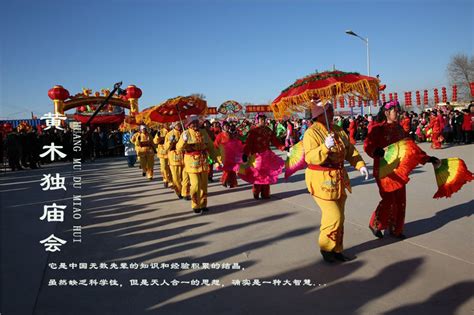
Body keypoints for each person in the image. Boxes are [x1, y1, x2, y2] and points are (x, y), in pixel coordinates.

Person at [303, 100, 369, 263]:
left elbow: (350, 151)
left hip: (339, 179)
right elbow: (310, 157)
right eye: (329, 109)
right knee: (334, 216)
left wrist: (360, 165)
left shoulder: (338, 130)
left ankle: (337, 249)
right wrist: (324, 147)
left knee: (341, 217)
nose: (332, 112)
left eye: (331, 109)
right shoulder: (311, 133)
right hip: (321, 181)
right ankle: (326, 247)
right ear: (319, 114)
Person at [364, 100, 440, 239]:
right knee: (388, 200)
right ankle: (375, 223)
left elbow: (411, 148)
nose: (398, 113)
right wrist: (376, 151)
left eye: (398, 111)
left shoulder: (400, 129)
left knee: (400, 201)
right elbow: (368, 145)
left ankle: (395, 229)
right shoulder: (377, 128)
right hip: (383, 170)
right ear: (387, 112)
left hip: (399, 169)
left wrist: (427, 158)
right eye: (395, 111)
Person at [241, 113, 285, 199]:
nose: (263, 121)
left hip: (267, 156)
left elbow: (275, 141)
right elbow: (248, 143)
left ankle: (265, 193)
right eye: (261, 119)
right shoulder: (253, 131)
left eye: (264, 119)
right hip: (256, 157)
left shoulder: (268, 130)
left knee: (266, 175)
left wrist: (283, 147)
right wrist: (245, 153)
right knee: (258, 175)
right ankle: (256, 192)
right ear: (257, 120)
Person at [176, 115, 213, 214]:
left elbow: (211, 146)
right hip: (191, 163)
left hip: (203, 162)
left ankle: (203, 204)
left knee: (204, 186)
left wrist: (217, 159)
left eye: (197, 122)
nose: (195, 124)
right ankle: (195, 204)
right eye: (193, 123)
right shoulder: (186, 133)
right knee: (196, 185)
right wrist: (183, 140)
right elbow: (178, 148)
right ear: (188, 124)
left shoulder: (204, 132)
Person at [164, 122, 186, 199]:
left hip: (185, 158)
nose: (179, 125)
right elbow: (166, 148)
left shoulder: (185, 132)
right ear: (173, 125)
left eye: (179, 124)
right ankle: (179, 191)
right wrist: (170, 141)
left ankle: (185, 192)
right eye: (177, 124)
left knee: (185, 178)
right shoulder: (169, 134)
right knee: (176, 179)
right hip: (174, 159)